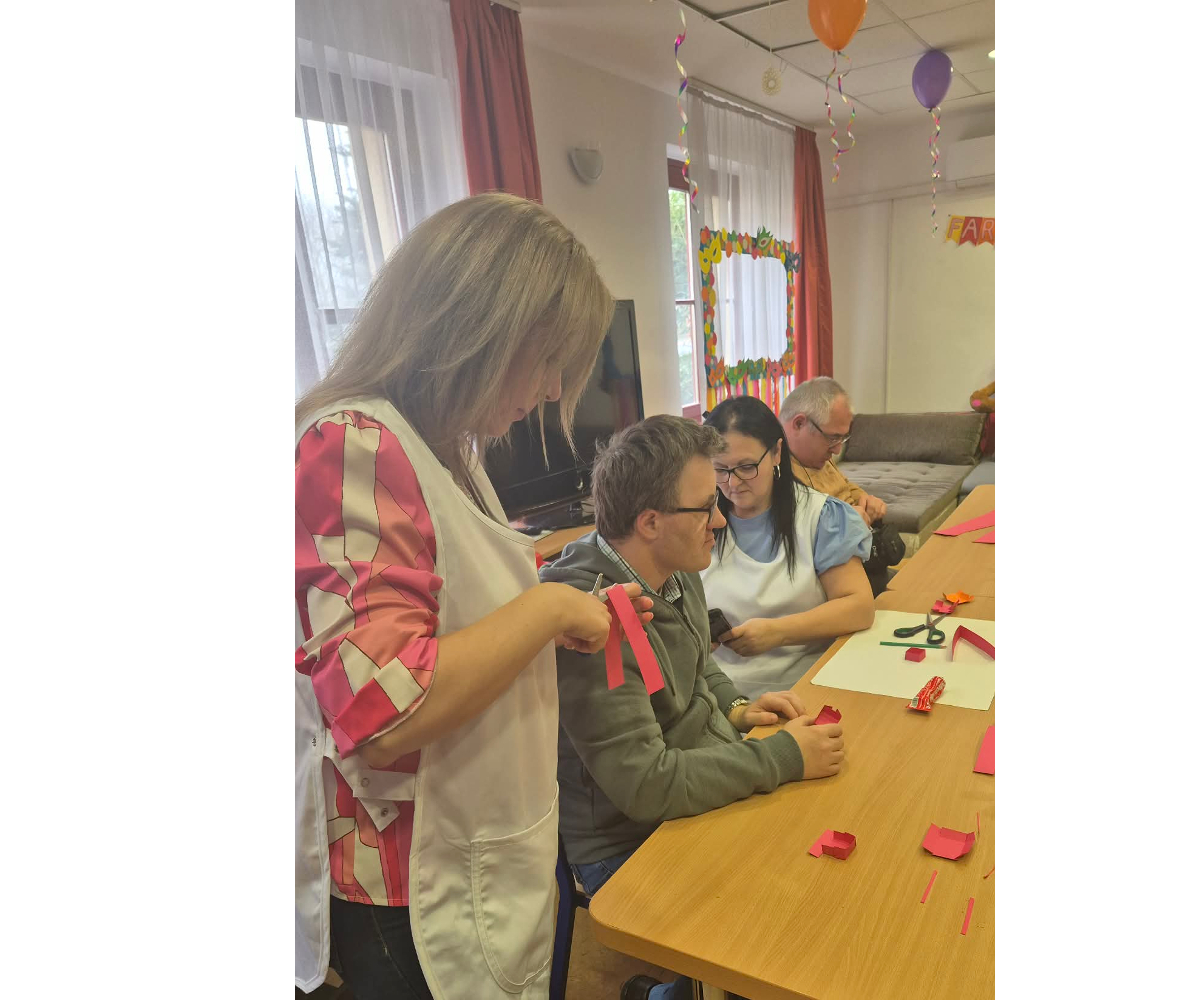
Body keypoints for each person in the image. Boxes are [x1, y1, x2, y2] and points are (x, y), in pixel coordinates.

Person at [294, 192, 655, 1000]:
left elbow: (452, 619)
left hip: (483, 842)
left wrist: (544, 621)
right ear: (474, 329)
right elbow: (381, 713)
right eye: (547, 357)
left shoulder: (447, 455)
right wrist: (545, 609)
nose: (553, 388)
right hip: (409, 880)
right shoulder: (355, 442)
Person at [540, 415, 846, 1000]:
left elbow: (699, 661)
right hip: (626, 838)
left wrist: (736, 708)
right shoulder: (593, 622)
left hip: (677, 786)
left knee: (806, 863)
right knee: (779, 919)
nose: (721, 518)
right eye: (706, 506)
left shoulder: (675, 568)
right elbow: (647, 785)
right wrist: (781, 758)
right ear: (650, 522)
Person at [701, 395, 875, 698]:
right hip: (719, 695)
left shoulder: (821, 517)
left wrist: (778, 632)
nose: (733, 483)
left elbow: (859, 607)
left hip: (802, 689)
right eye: (720, 469)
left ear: (776, 453)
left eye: (746, 467)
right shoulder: (697, 519)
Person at [779, 377, 907, 594]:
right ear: (799, 423)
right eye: (832, 438)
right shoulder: (776, 472)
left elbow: (845, 486)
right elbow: (802, 538)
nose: (837, 450)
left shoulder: (815, 457)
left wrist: (866, 500)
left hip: (864, 563)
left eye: (842, 438)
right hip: (837, 582)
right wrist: (847, 521)